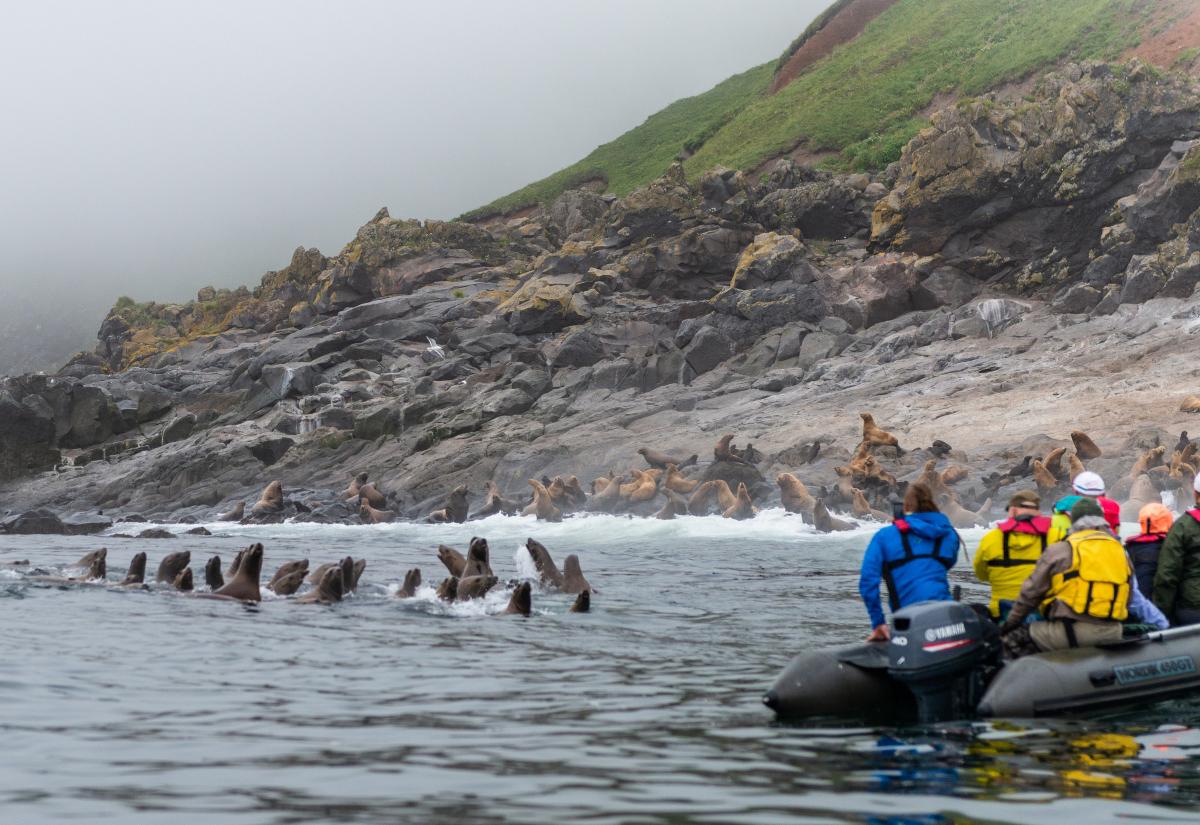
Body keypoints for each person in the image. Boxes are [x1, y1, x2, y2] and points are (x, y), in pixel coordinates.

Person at [1000, 499, 1151, 658]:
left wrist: (1009, 624)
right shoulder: (1121, 551)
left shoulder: (1061, 549)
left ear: (1073, 521)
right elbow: (1129, 596)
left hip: (1072, 632)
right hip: (1112, 632)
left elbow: (1030, 593)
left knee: (1011, 639)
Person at [859, 482, 960, 641]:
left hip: (908, 622)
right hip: (946, 618)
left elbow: (867, 583)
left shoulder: (884, 536)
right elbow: (948, 563)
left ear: (905, 506)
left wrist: (878, 623)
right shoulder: (949, 534)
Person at [973, 490, 1063, 619]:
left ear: (1013, 511)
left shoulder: (991, 538)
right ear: (1038, 511)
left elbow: (981, 574)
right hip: (1043, 614)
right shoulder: (1057, 536)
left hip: (1002, 615)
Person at [1153, 472, 1200, 625]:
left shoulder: (1183, 525)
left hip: (1193, 608)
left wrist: (1161, 617)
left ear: (1195, 494)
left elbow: (1167, 574)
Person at [1125, 502, 1173, 600]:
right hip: (1163, 605)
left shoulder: (1129, 547)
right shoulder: (1173, 548)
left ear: (1141, 522)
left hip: (1135, 603)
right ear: (1168, 521)